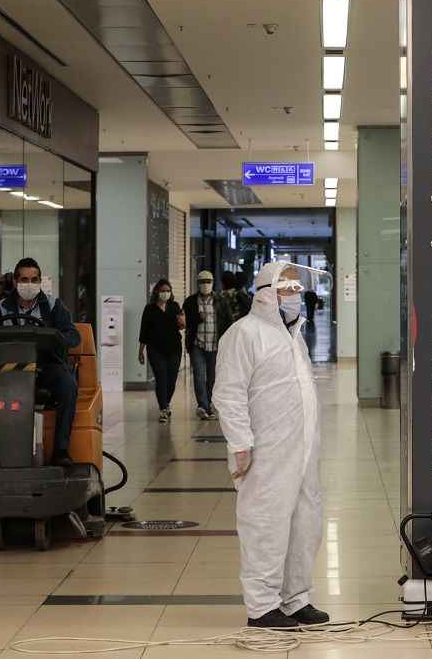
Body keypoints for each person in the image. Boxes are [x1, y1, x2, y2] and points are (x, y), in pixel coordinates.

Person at [212, 262, 329, 629]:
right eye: (286, 288)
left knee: (305, 523)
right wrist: (240, 443)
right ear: (266, 293)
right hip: (265, 451)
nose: (294, 295)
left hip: (302, 450)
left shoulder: (294, 336)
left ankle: (296, 599)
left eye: (296, 289)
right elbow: (228, 393)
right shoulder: (243, 334)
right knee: (265, 524)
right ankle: (262, 606)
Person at [0, 258, 80, 467]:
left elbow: (73, 335)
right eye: (24, 279)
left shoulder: (53, 306)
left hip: (46, 368)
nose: (29, 284)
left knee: (68, 384)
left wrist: (58, 339)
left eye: (34, 279)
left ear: (40, 281)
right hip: (10, 368)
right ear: (16, 282)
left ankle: (61, 450)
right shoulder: (1, 309)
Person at [183, 270, 233, 420]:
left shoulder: (221, 301)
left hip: (216, 345)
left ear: (212, 283)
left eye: (208, 281)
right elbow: (185, 322)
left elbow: (228, 322)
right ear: (198, 283)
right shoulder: (190, 302)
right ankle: (202, 406)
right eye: (202, 282)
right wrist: (198, 318)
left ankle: (210, 405)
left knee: (213, 378)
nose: (205, 284)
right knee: (199, 376)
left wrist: (228, 343)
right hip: (197, 344)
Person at [138, 279, 184, 423]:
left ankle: (166, 403)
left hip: (174, 348)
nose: (166, 293)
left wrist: (183, 322)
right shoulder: (149, 309)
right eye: (163, 290)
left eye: (168, 291)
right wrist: (140, 351)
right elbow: (144, 331)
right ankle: (163, 408)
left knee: (172, 379)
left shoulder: (174, 306)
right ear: (157, 291)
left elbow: (181, 325)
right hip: (155, 349)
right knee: (161, 377)